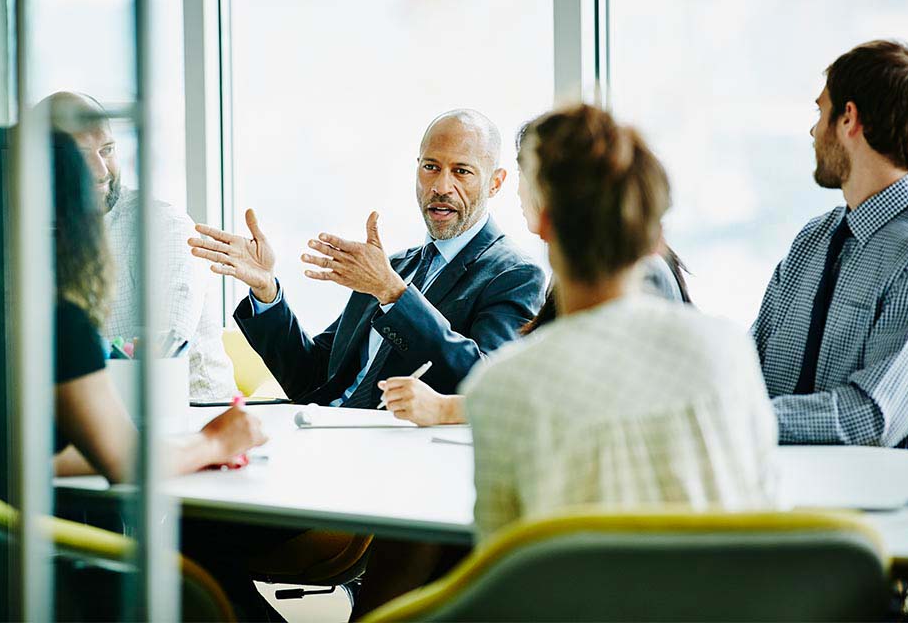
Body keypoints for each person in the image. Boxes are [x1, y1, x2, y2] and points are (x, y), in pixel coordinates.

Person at [0, 127, 266, 502]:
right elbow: (124, 463)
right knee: (208, 572)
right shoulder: (54, 324)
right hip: (22, 564)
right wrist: (215, 442)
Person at [462, 104, 777, 542]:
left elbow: (500, 567)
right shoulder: (729, 350)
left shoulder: (502, 388)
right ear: (652, 229)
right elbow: (766, 514)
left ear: (543, 222)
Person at [189, 109, 546, 408]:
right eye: (431, 167)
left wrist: (393, 293)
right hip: (325, 433)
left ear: (495, 183)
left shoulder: (514, 274)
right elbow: (311, 379)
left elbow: (485, 387)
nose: (441, 186)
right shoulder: (392, 267)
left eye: (462, 171)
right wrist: (267, 291)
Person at [377, 118, 693, 426]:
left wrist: (445, 409)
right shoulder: (584, 272)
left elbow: (583, 400)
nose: (517, 191)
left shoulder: (638, 274)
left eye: (523, 174)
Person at [753, 40, 908, 449]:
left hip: (876, 505)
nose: (812, 131)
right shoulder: (813, 240)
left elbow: (872, 416)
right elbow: (750, 365)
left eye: (819, 112)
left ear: (849, 119)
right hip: (777, 491)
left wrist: (737, 423)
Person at [40, 92, 236, 401]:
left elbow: (159, 358)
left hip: (194, 419)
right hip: (85, 426)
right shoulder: (26, 233)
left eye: (107, 150)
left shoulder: (161, 227)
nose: (101, 171)